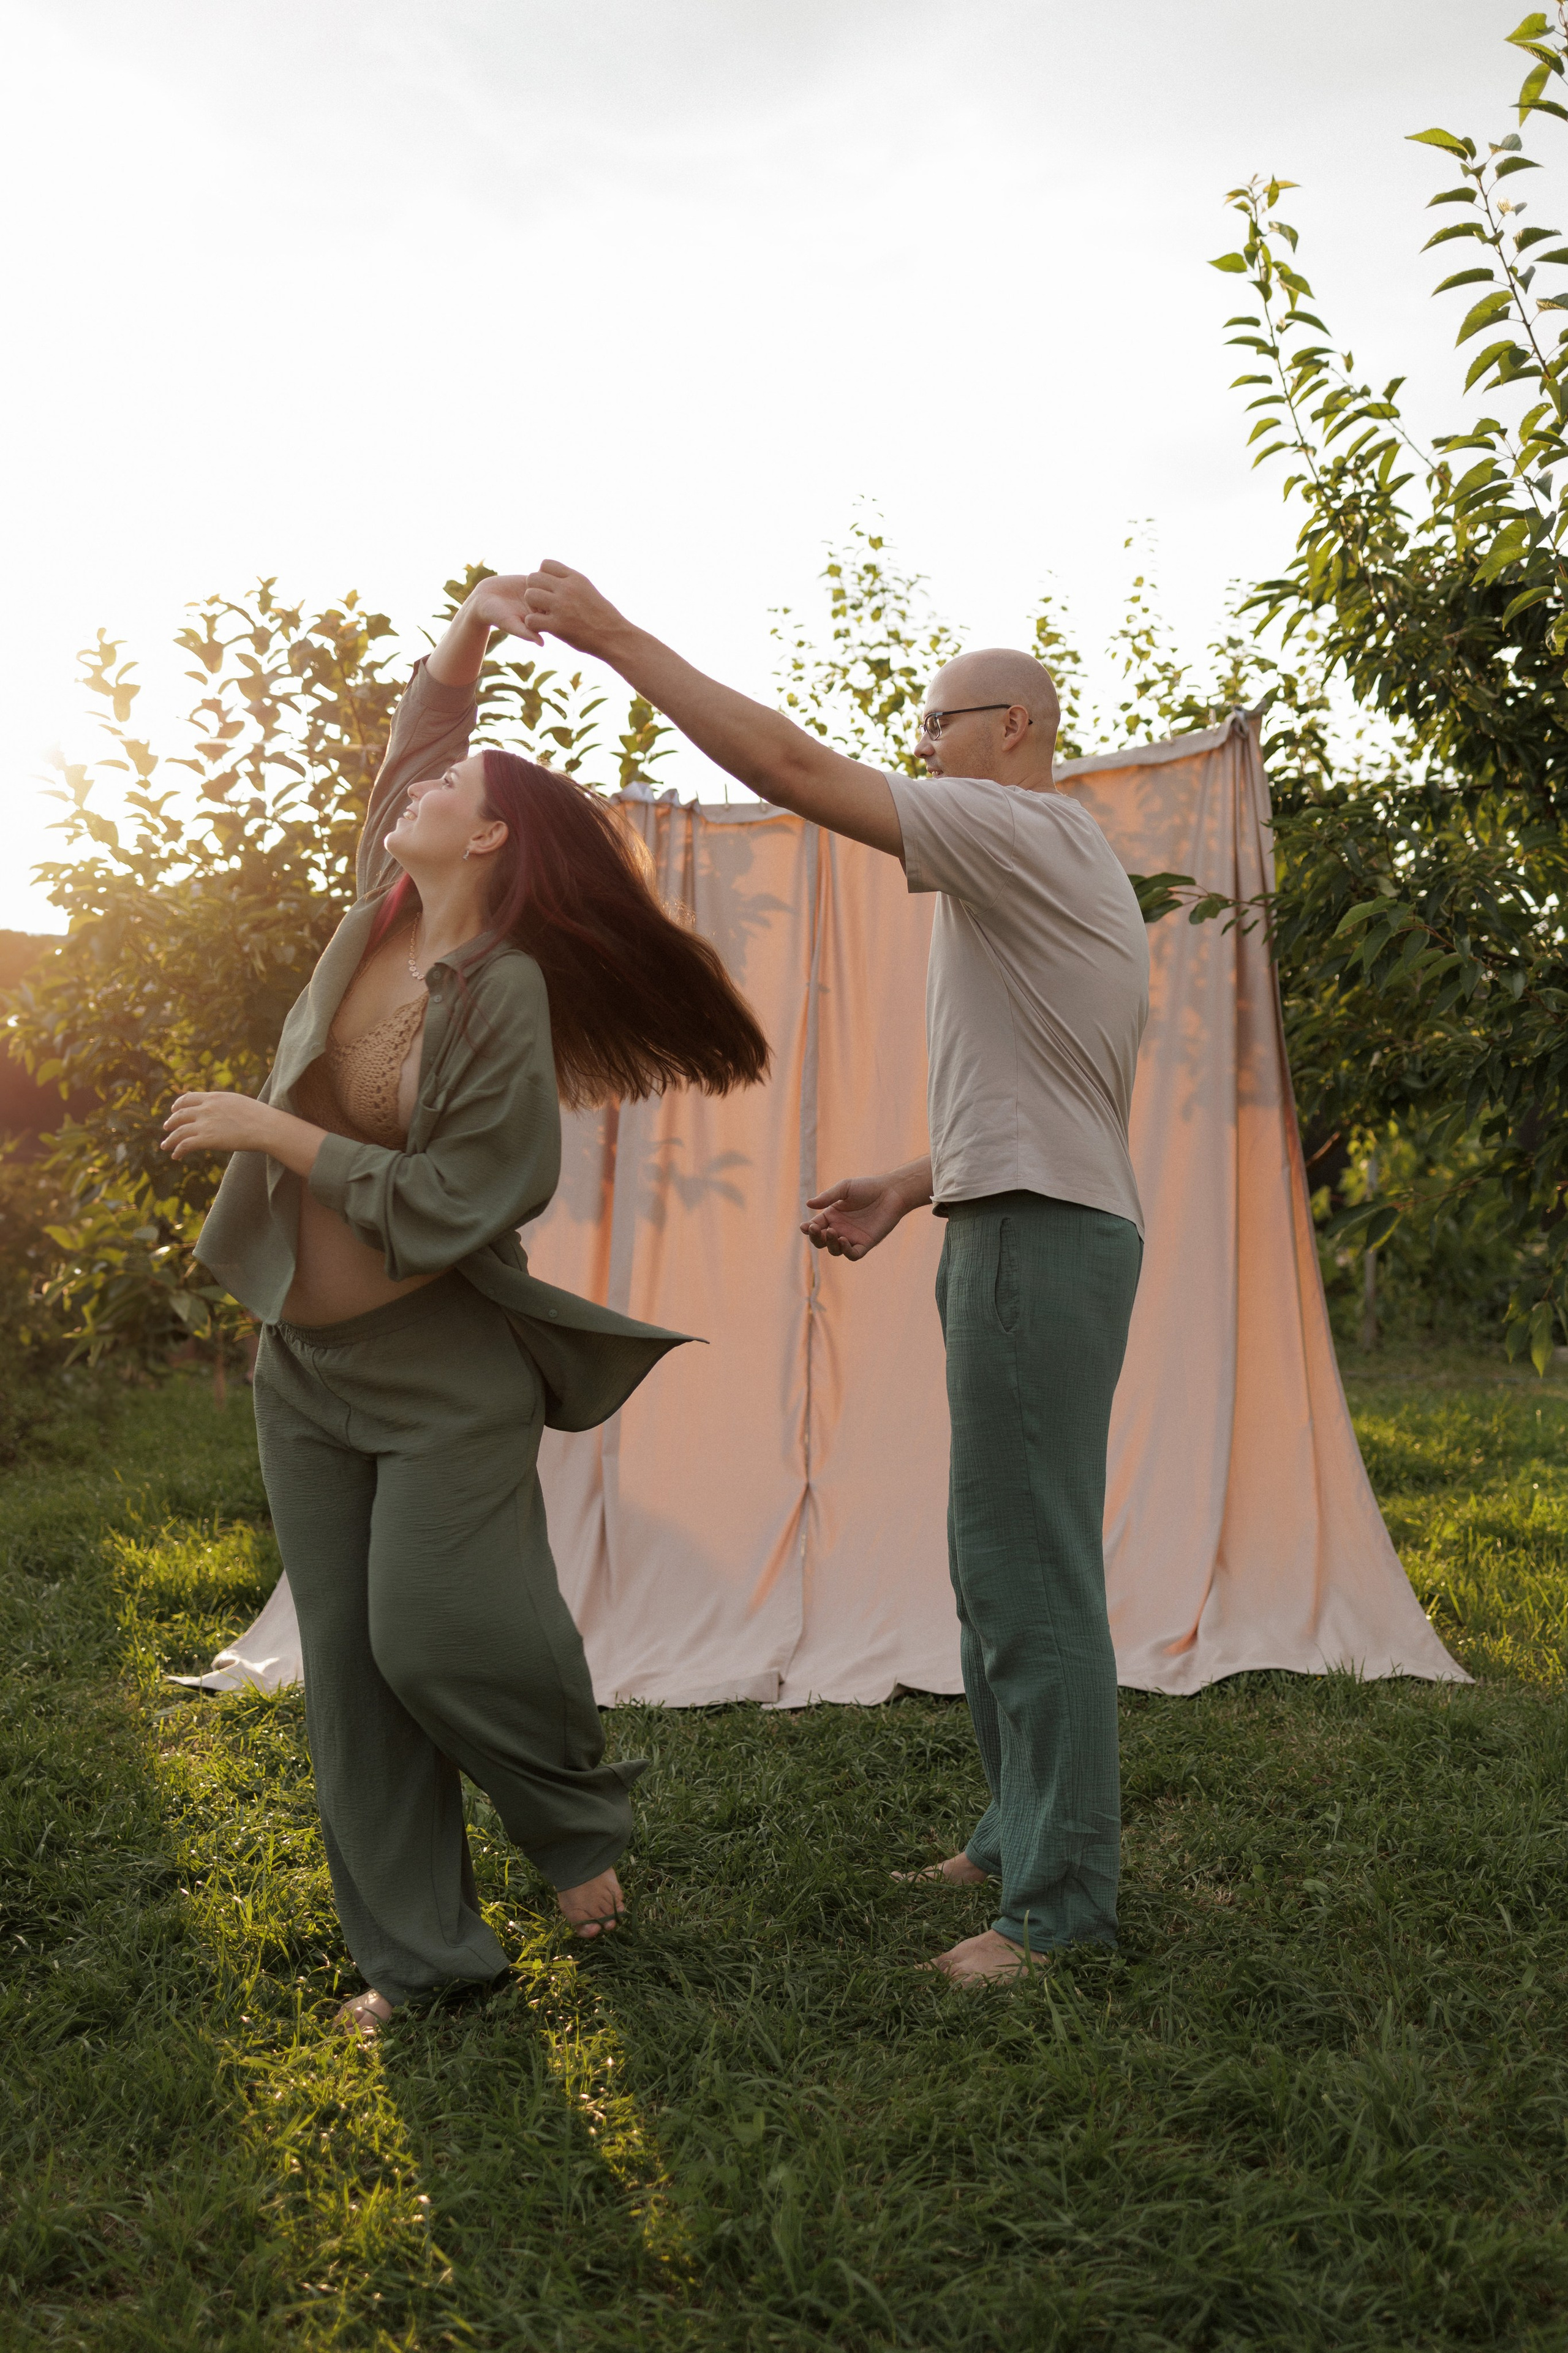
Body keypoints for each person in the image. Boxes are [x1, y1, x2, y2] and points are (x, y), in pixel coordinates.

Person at [516, 561, 1148, 1984]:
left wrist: (616, 637)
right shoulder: (1047, 863)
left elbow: (792, 769)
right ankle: (1012, 1831)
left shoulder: (1016, 826)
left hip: (1036, 1240)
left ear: (1012, 728)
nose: (916, 747)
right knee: (992, 1561)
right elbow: (1055, 1086)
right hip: (1018, 1219)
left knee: (1030, 1570)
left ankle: (1060, 1907)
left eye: (935, 723)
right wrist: (915, 1180)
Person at [162, 573, 770, 2037]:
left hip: (443, 1370)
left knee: (434, 1634)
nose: (417, 791)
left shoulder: (503, 993)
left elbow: (460, 1199)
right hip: (301, 1364)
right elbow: (417, 739)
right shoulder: (378, 911)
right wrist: (474, 628)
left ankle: (570, 1819)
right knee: (349, 1674)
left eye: (451, 789)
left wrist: (274, 1130)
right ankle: (424, 1960)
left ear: (489, 834)